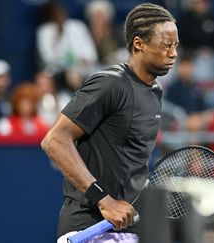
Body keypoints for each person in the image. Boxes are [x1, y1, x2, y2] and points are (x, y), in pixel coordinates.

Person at [41, 3, 178, 242]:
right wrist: (104, 200)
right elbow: (54, 140)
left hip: (127, 231)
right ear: (139, 44)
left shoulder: (155, 92)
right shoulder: (109, 83)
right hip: (87, 228)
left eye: (175, 45)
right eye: (166, 45)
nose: (173, 53)